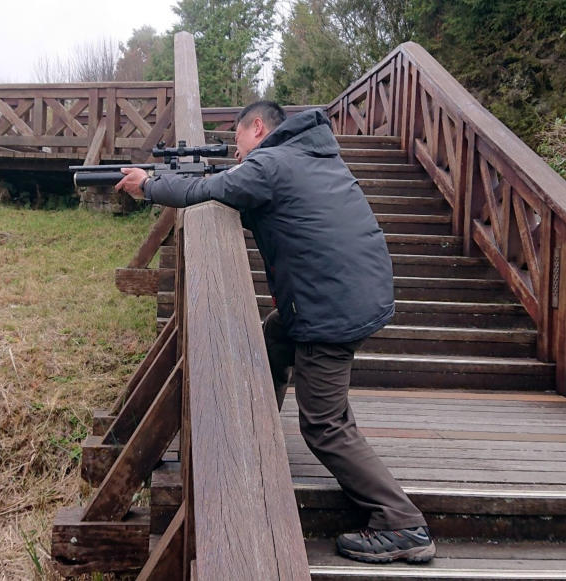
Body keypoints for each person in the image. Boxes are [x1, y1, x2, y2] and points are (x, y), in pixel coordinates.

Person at [115, 101, 436, 564]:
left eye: (238, 138)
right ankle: (255, 434)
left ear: (258, 127)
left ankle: (402, 523)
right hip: (348, 293)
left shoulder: (272, 162)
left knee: (325, 425)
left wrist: (148, 185)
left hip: (331, 309)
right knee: (276, 337)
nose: (237, 149)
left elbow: (210, 189)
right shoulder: (311, 155)